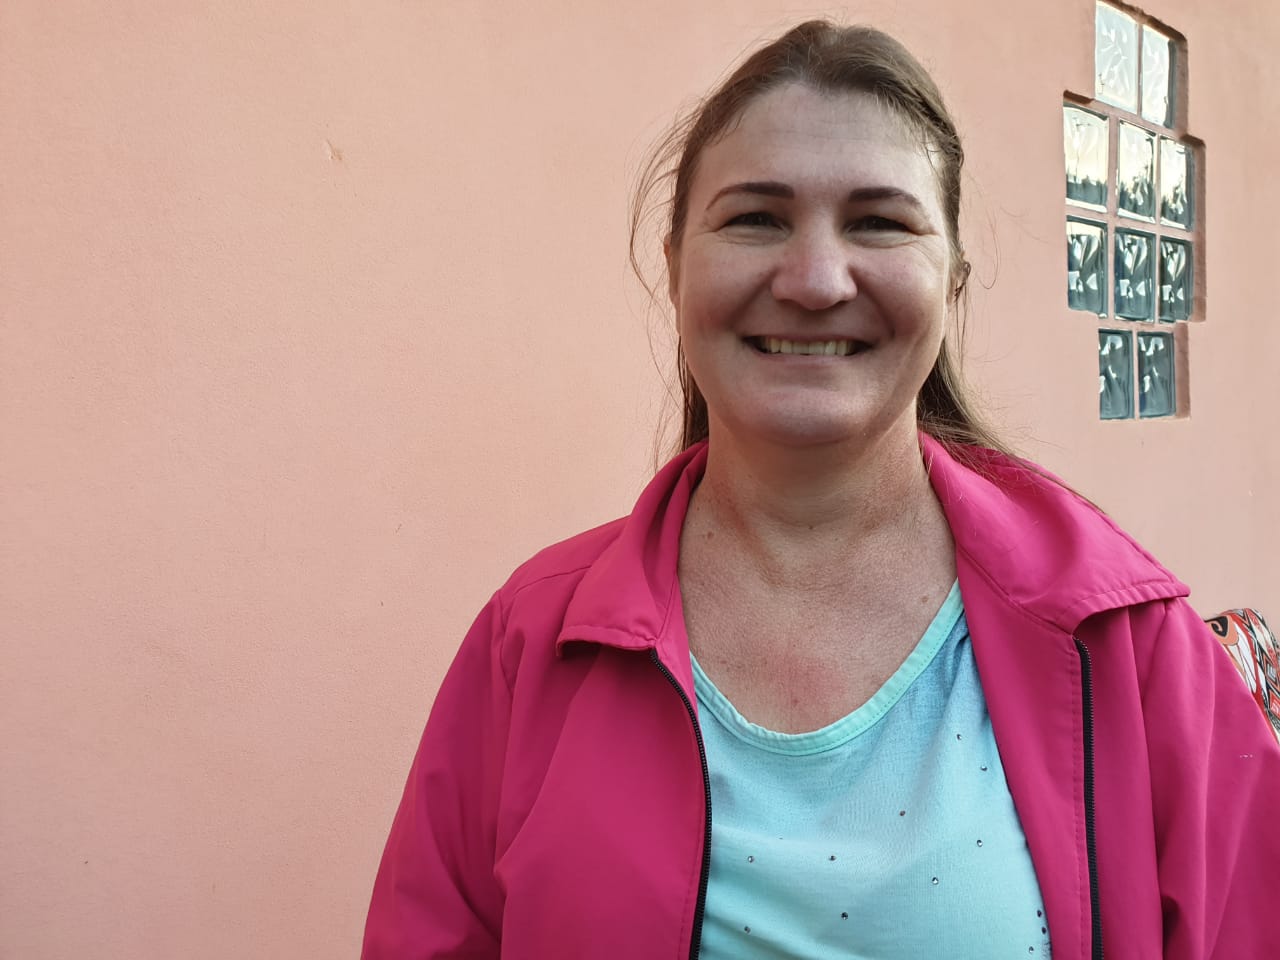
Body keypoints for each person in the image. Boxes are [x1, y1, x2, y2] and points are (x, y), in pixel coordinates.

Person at [361, 20, 1280, 959]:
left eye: (879, 222)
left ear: (954, 282)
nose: (813, 280)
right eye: (755, 218)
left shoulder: (1130, 648)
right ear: (674, 268)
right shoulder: (528, 646)